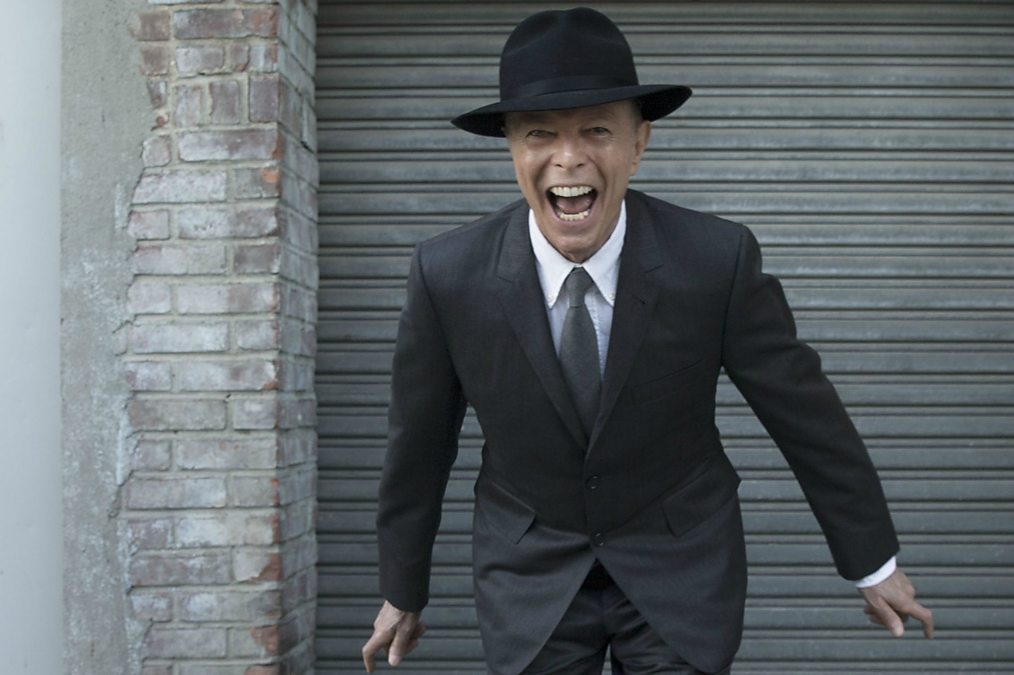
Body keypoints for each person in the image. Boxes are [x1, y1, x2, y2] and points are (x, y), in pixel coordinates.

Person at [362, 7, 934, 674]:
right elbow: (419, 445)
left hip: (680, 563)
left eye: (597, 130)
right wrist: (402, 588)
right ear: (512, 148)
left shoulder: (714, 260)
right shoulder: (448, 274)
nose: (569, 157)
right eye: (540, 133)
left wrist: (872, 563)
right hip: (529, 572)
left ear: (639, 144)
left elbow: (805, 414)